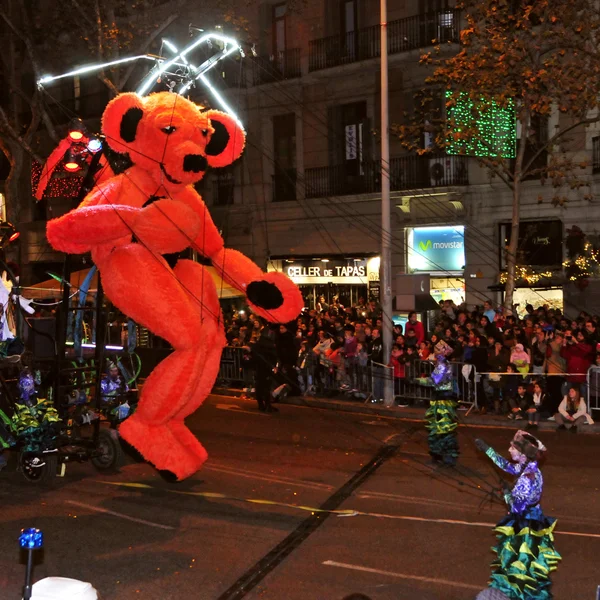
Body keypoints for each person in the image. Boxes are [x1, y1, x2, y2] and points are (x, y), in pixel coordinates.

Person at [475, 431, 561, 600]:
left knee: (520, 565)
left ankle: (519, 595)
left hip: (525, 528)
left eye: (512, 448)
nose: (509, 450)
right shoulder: (529, 467)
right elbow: (508, 467)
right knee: (530, 566)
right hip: (534, 520)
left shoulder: (526, 478)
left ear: (522, 454)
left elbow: (516, 508)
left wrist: (507, 493)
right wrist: (488, 450)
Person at [420, 350, 459, 466]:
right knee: (442, 427)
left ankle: (445, 455)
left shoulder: (442, 365)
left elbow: (433, 381)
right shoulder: (446, 364)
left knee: (442, 427)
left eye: (438, 354)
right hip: (444, 399)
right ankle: (442, 454)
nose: (436, 356)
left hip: (442, 401)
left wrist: (416, 380)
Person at [249, 327, 279, 413]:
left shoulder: (258, 344)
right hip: (266, 368)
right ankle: (267, 405)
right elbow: (274, 357)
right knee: (266, 387)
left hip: (259, 368)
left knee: (259, 386)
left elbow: (253, 355)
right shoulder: (269, 345)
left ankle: (261, 405)